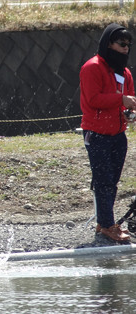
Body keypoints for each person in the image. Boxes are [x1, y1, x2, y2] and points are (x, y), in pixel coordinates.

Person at [80, 23, 136, 242]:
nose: (125, 49)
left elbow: (129, 99)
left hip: (118, 134)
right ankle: (106, 225)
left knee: (112, 181)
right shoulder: (92, 67)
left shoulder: (125, 72)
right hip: (96, 134)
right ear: (108, 44)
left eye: (128, 45)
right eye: (121, 44)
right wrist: (120, 100)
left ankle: (105, 223)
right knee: (103, 180)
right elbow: (92, 100)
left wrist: (129, 112)